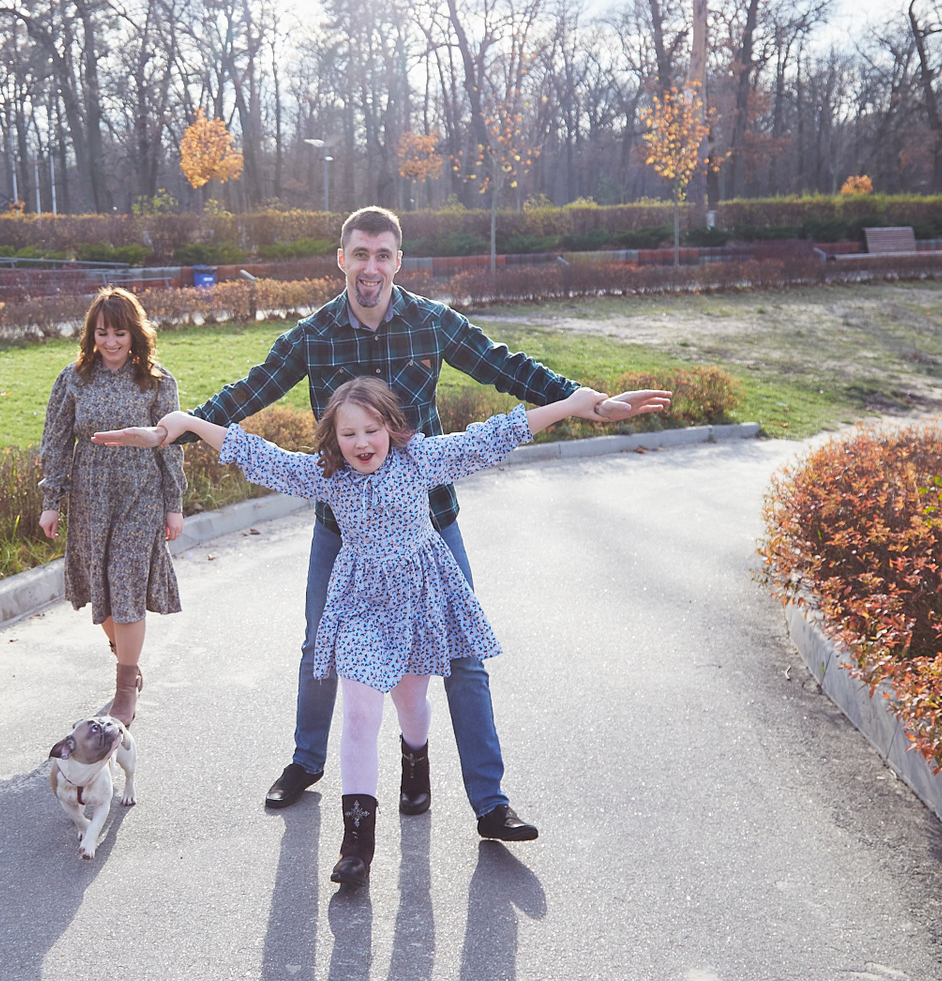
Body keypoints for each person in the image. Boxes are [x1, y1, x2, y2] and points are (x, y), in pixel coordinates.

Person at [187, 205, 664, 839]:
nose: (371, 267)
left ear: (398, 262)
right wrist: (178, 429)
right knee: (320, 644)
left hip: (430, 524)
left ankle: (489, 802)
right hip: (345, 530)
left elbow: (507, 368)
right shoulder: (312, 336)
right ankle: (307, 760)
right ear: (342, 259)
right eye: (360, 254)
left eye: (383, 255)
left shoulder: (432, 323)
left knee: (463, 656)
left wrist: (588, 402)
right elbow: (248, 393)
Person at [96, 376, 667, 884]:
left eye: (371, 430)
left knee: (412, 702)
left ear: (392, 428)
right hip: (361, 605)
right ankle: (357, 845)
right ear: (334, 439)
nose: (362, 443)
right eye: (348, 434)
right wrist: (186, 422)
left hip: (419, 599)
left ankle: (415, 760)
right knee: (361, 713)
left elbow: (497, 434)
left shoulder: (420, 460)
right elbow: (259, 455)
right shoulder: (328, 476)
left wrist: (571, 404)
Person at [38, 286, 186, 725]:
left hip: (140, 493)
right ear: (91, 334)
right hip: (91, 494)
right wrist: (51, 501)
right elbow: (55, 442)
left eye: (120, 332)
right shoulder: (73, 379)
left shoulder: (157, 381)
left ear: (135, 333)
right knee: (100, 586)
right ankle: (125, 655)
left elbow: (171, 447)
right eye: (102, 332)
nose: (111, 341)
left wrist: (174, 504)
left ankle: (124, 688)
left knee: (125, 584)